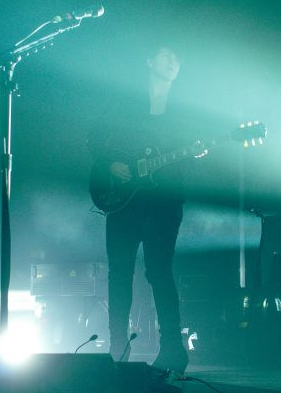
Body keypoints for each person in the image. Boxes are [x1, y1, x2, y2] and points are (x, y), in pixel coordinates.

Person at [88, 44, 190, 374]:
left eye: (177, 57)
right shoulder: (124, 103)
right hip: (123, 203)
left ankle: (173, 349)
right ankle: (118, 347)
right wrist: (110, 164)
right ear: (149, 61)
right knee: (119, 274)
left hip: (164, 203)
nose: (173, 60)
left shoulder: (184, 110)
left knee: (159, 272)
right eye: (167, 54)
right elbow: (95, 137)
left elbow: (190, 154)